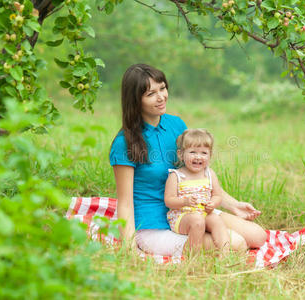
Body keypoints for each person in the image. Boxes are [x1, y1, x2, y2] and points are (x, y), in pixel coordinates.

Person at [110, 63, 266, 257]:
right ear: (135, 100)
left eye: (163, 88)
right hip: (154, 225)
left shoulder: (176, 125)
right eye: (151, 94)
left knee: (258, 236)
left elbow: (196, 176)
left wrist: (233, 205)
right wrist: (129, 248)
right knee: (237, 244)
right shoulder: (125, 143)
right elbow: (124, 203)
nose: (161, 97)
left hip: (192, 211)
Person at [164, 128, 230, 252]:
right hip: (182, 217)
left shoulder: (209, 174)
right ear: (181, 154)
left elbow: (217, 195)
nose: (198, 157)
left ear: (210, 155)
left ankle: (225, 253)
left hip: (204, 212)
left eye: (204, 153)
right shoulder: (176, 176)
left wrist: (213, 203)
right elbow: (168, 200)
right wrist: (184, 201)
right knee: (197, 220)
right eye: (193, 152)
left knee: (217, 220)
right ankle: (193, 255)